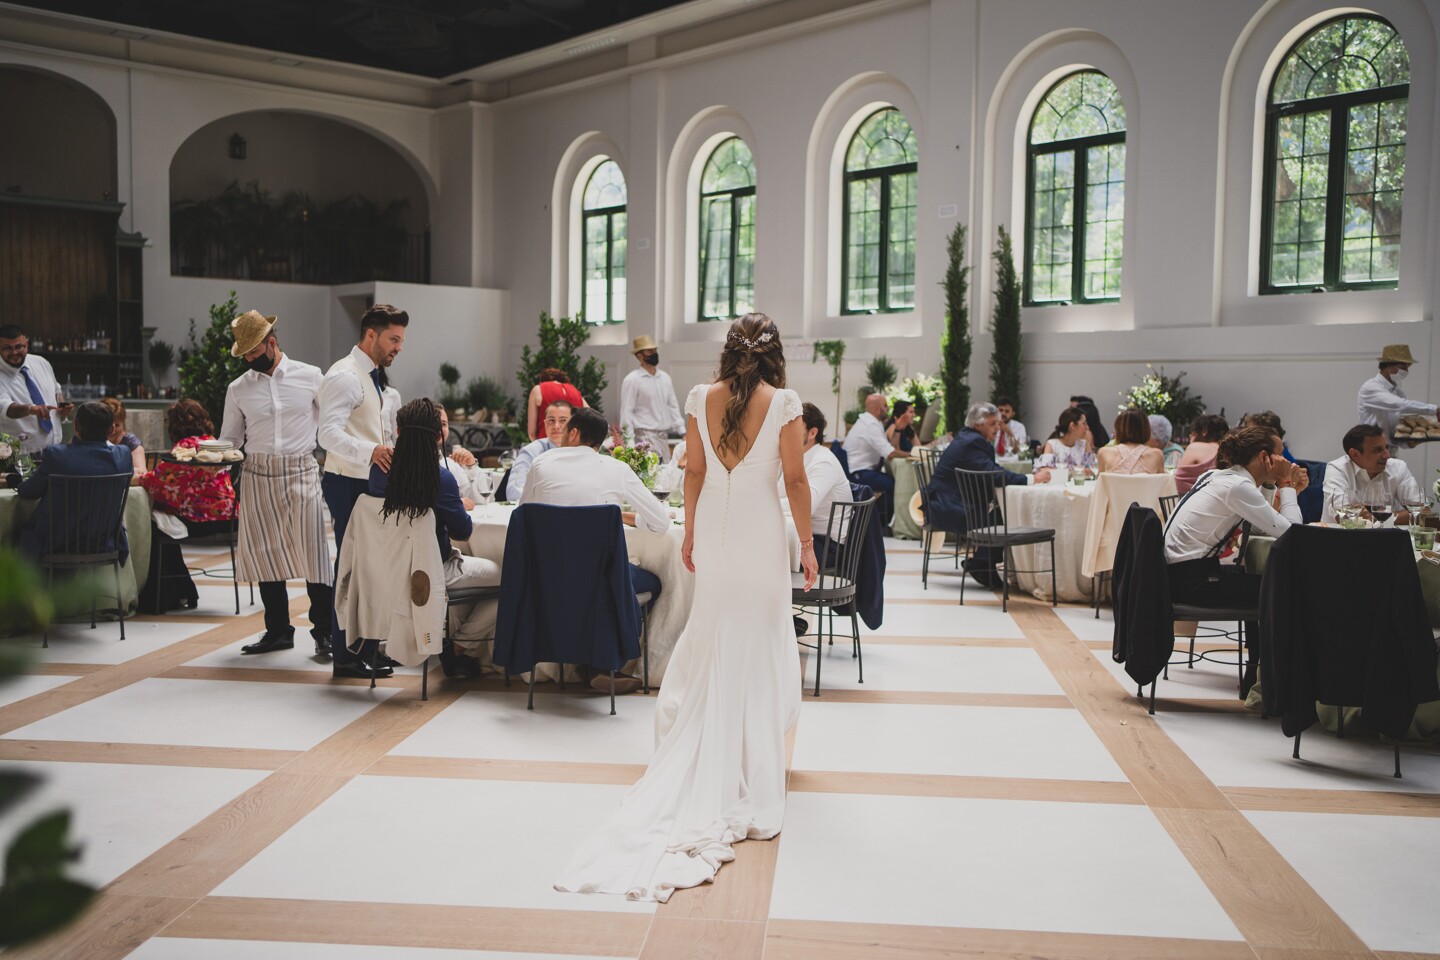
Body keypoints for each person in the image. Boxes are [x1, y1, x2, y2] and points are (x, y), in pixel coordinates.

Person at [555, 311, 818, 902]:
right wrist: (805, 544)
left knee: (715, 628)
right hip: (758, 532)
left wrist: (691, 531)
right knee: (757, 636)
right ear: (774, 353)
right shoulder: (784, 403)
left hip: (718, 533)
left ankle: (709, 744)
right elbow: (796, 481)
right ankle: (745, 763)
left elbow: (693, 472)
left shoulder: (701, 397)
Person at [520, 406, 668, 692]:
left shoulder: (540, 464)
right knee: (648, 583)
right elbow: (660, 522)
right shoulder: (615, 469)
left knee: (601, 583)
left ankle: (587, 664)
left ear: (574, 433)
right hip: (600, 580)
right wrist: (624, 516)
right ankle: (602, 664)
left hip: (547, 579)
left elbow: (524, 514)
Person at [217, 310, 334, 658]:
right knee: (265, 553)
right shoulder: (238, 389)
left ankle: (325, 631)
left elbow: (332, 423)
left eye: (254, 352)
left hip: (301, 469)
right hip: (257, 473)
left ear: (271, 343)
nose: (249, 359)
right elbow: (230, 439)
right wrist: (207, 454)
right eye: (245, 354)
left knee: (315, 553)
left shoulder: (310, 376)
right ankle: (278, 631)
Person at [1163, 425, 1305, 695]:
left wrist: (1280, 487)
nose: (1287, 460)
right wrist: (1287, 485)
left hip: (1177, 575)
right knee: (1285, 591)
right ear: (1265, 457)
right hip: (1193, 583)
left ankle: (1256, 673)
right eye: (1281, 453)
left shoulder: (1218, 476)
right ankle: (1277, 682)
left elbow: (1263, 524)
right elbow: (1293, 535)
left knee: (1263, 584)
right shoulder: (1237, 486)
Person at [319, 302, 407, 679]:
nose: (399, 348)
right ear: (371, 335)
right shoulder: (345, 375)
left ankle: (366, 647)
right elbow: (326, 434)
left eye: (401, 340)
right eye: (393, 339)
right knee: (352, 569)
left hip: (365, 481)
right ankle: (346, 655)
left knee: (370, 569)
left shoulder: (370, 375)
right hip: (347, 482)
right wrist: (371, 451)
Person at [925, 402, 1052, 586]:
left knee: (1002, 511)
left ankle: (981, 562)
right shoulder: (972, 442)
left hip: (946, 501)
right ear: (978, 425)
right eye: (992, 424)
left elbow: (991, 470)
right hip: (948, 506)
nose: (997, 427)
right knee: (1005, 514)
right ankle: (982, 566)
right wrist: (1032, 478)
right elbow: (994, 475)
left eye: (998, 423)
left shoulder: (968, 437)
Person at [17, 400, 132, 564]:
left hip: (55, 544)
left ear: (75, 426)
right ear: (112, 429)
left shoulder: (57, 455)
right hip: (103, 543)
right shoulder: (123, 455)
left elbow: (28, 493)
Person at [139, 399, 235, 533]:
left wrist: (134, 478)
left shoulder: (187, 446)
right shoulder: (212, 441)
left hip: (204, 519)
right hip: (231, 517)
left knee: (148, 522)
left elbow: (160, 481)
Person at [782, 402, 853, 544]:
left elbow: (804, 506)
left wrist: (766, 504)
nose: (786, 433)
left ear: (812, 433)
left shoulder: (824, 462)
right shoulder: (797, 458)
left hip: (827, 543)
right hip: (807, 535)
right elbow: (779, 493)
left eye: (794, 428)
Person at [1322, 424, 1423, 523]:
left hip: (1385, 534)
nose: (1387, 455)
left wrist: (1382, 519)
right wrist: (1395, 517)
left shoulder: (1398, 467)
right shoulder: (1337, 469)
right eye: (1378, 450)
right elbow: (1344, 517)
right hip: (1339, 534)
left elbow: (1422, 512)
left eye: (1386, 447)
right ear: (1355, 454)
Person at [0, 323, 69, 456]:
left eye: (18, 347)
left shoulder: (41, 362)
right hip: (20, 456)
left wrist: (61, 405)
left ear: (26, 344)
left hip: (55, 450)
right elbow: (7, 409)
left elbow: (56, 390)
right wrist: (31, 409)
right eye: (7, 348)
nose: (14, 352)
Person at [843, 393, 911, 525]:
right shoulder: (870, 425)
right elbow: (890, 453)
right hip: (858, 472)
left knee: (891, 483)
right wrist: (912, 454)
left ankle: (872, 520)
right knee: (893, 485)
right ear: (878, 410)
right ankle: (874, 522)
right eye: (885, 406)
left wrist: (898, 429)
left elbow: (889, 447)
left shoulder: (870, 422)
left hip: (860, 469)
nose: (888, 409)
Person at [620, 335, 684, 456]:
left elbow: (673, 406)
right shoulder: (632, 380)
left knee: (665, 467)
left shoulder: (665, 378)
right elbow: (626, 412)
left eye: (655, 350)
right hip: (643, 437)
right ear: (639, 356)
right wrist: (629, 443)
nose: (654, 353)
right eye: (650, 351)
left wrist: (682, 431)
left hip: (663, 437)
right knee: (650, 467)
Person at [1357, 344, 1436, 437]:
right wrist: (1434, 409)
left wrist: (1410, 441)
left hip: (1389, 444)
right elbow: (1399, 405)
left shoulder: (1398, 393)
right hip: (1370, 443)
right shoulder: (1371, 387)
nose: (1406, 371)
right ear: (1388, 365)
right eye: (1402, 367)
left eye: (1407, 367)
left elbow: (1397, 426)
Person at [505, 398, 573, 501]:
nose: (556, 426)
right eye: (551, 420)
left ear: (573, 425)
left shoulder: (583, 451)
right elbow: (514, 492)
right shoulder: (531, 452)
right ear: (545, 424)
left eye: (563, 420)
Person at [437, 407, 486, 506]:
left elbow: (480, 500)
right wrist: (453, 504)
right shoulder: (412, 463)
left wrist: (471, 466)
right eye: (434, 424)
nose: (439, 429)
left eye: (443, 424)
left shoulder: (451, 465)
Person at [1174, 414, 1228, 495]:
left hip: (1190, 500)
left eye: (1193, 432)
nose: (1190, 436)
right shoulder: (1227, 451)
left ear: (1204, 431)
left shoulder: (1195, 447)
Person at [525, 368, 586, 441]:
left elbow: (531, 433)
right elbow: (593, 418)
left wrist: (539, 446)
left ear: (542, 380)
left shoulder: (538, 389)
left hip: (547, 443)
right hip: (573, 444)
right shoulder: (576, 391)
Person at [1098, 409, 1165, 475]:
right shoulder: (1156, 455)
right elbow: (1163, 481)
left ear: (1117, 429)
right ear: (1146, 429)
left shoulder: (1104, 453)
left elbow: (1100, 481)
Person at [99, 397, 146, 478]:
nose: (112, 430)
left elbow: (142, 474)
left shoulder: (132, 443)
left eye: (117, 425)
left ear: (123, 424)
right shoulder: (90, 439)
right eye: (107, 425)